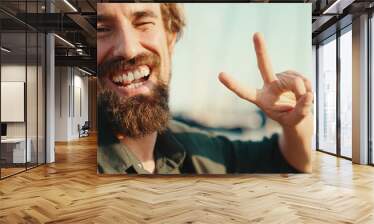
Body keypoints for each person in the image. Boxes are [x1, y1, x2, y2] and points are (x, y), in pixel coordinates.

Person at [97, 3, 313, 174]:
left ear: (170, 39)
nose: (128, 49)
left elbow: (289, 161)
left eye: (143, 23)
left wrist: (293, 120)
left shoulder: (199, 149)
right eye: (102, 29)